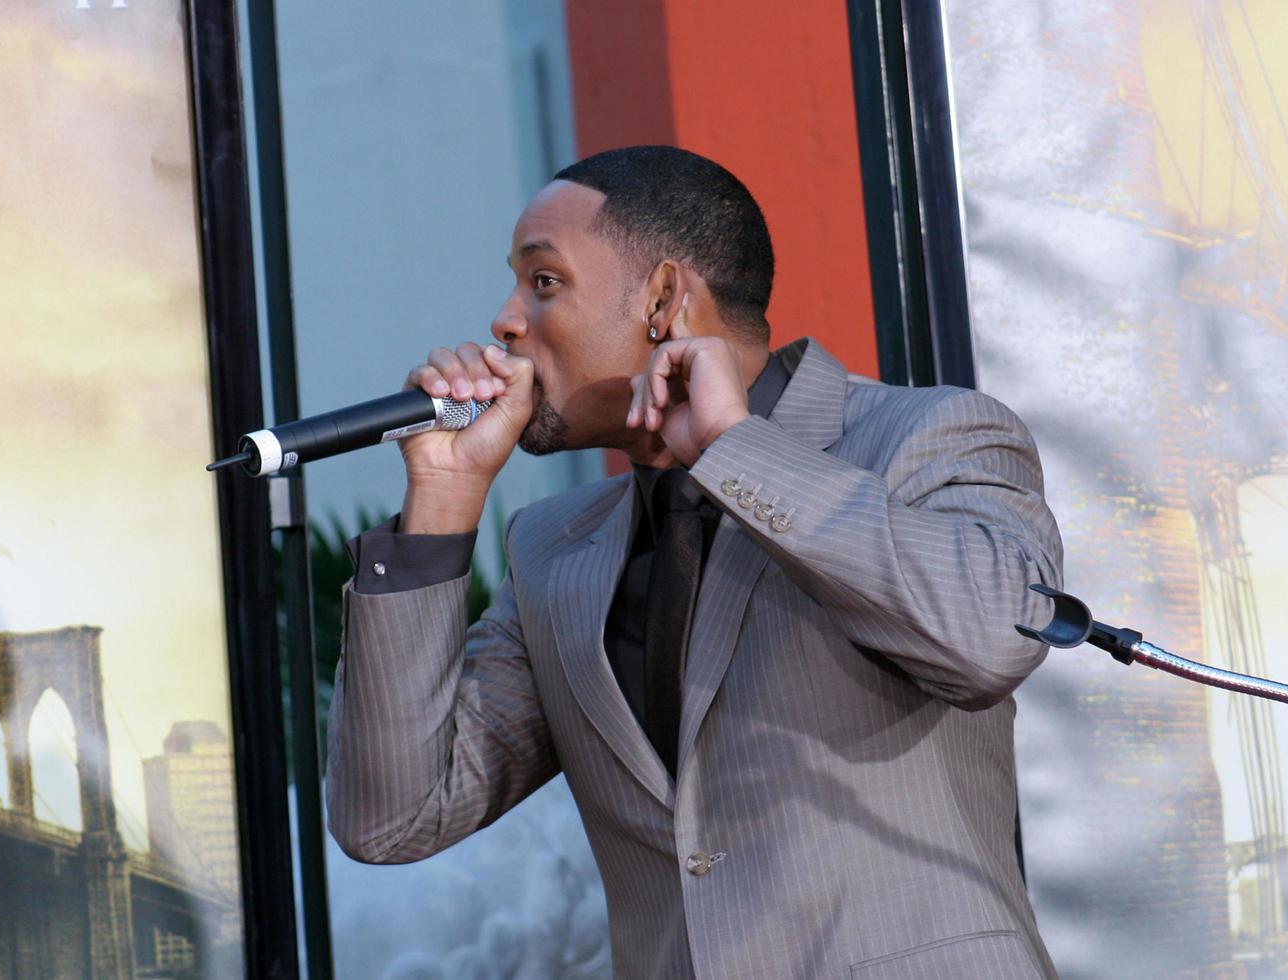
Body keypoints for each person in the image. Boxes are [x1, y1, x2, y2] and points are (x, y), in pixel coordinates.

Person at [326, 145, 1063, 979]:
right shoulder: (551, 549)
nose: (505, 321)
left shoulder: (928, 436)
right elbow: (392, 819)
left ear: (665, 300)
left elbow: (992, 638)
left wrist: (734, 450)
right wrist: (443, 498)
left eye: (544, 282)